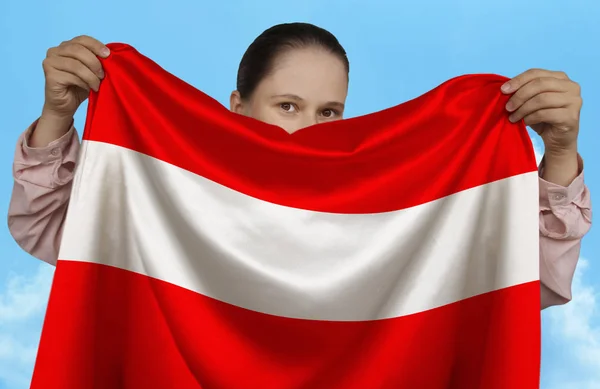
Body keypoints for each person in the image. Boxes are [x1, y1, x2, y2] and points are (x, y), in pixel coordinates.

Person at [7, 23, 592, 310]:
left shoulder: (383, 219)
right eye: (287, 106)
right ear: (237, 107)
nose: (308, 129)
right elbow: (48, 228)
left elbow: (524, 281)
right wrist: (58, 115)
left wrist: (558, 156)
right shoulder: (175, 194)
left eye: (329, 111)